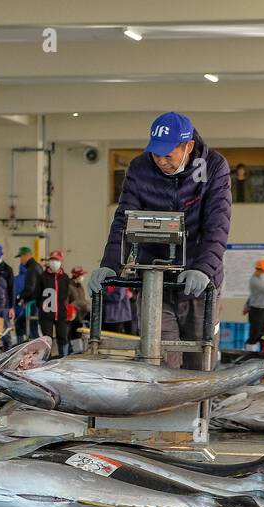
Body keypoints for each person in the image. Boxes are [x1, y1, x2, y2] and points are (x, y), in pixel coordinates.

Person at [89, 112, 231, 370]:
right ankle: (163, 410)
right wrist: (110, 264)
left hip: (199, 285)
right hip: (154, 281)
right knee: (159, 359)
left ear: (188, 147)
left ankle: (199, 410)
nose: (161, 161)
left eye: (168, 155)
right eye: (156, 154)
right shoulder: (140, 168)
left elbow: (217, 225)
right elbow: (124, 218)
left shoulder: (214, 166)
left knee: (200, 360)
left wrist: (202, 269)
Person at [38, 250, 71, 355]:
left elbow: (66, 294)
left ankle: (63, 357)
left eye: (56, 260)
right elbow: (37, 294)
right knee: (47, 338)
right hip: (46, 313)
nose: (53, 262)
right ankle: (47, 358)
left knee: (63, 336)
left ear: (61, 261)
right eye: (51, 260)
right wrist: (41, 306)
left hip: (61, 313)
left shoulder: (65, 278)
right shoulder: (43, 277)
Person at [14, 246, 44, 346]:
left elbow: (30, 289)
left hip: (34, 304)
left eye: (21, 256)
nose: (20, 259)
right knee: (31, 327)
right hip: (39, 303)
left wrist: (20, 298)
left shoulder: (32, 269)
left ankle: (21, 348)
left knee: (26, 326)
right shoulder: (38, 267)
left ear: (28, 256)